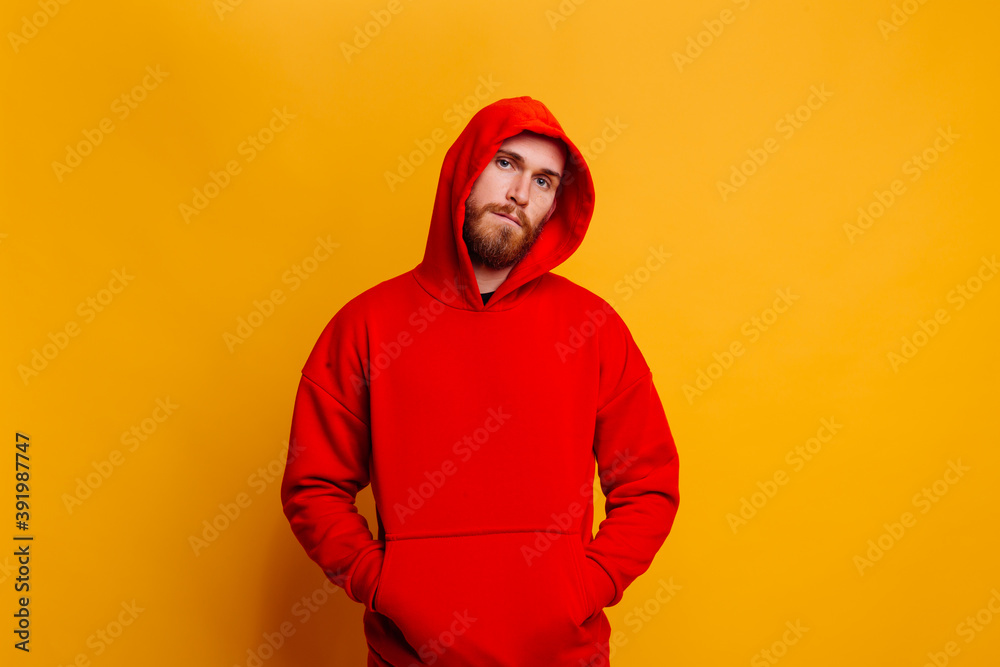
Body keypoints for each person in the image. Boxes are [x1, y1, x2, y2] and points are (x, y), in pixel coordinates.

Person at [280, 95, 680, 667]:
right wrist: (381, 582)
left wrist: (585, 587)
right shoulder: (365, 325)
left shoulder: (592, 328)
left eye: (544, 181)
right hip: (410, 658)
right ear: (464, 168)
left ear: (554, 206)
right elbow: (313, 486)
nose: (520, 193)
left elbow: (650, 483)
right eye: (506, 164)